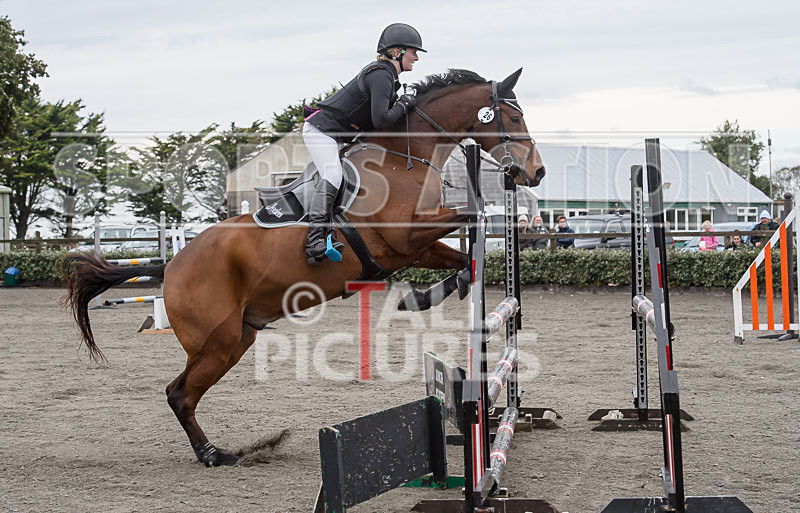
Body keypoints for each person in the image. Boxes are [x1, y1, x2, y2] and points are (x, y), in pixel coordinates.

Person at [301, 23, 424, 263]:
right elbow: (381, 120)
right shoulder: (380, 75)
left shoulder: (388, 77)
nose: (417, 58)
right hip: (321, 131)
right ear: (397, 52)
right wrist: (405, 103)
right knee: (333, 175)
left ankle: (334, 228)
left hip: (340, 135)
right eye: (413, 52)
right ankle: (313, 240)